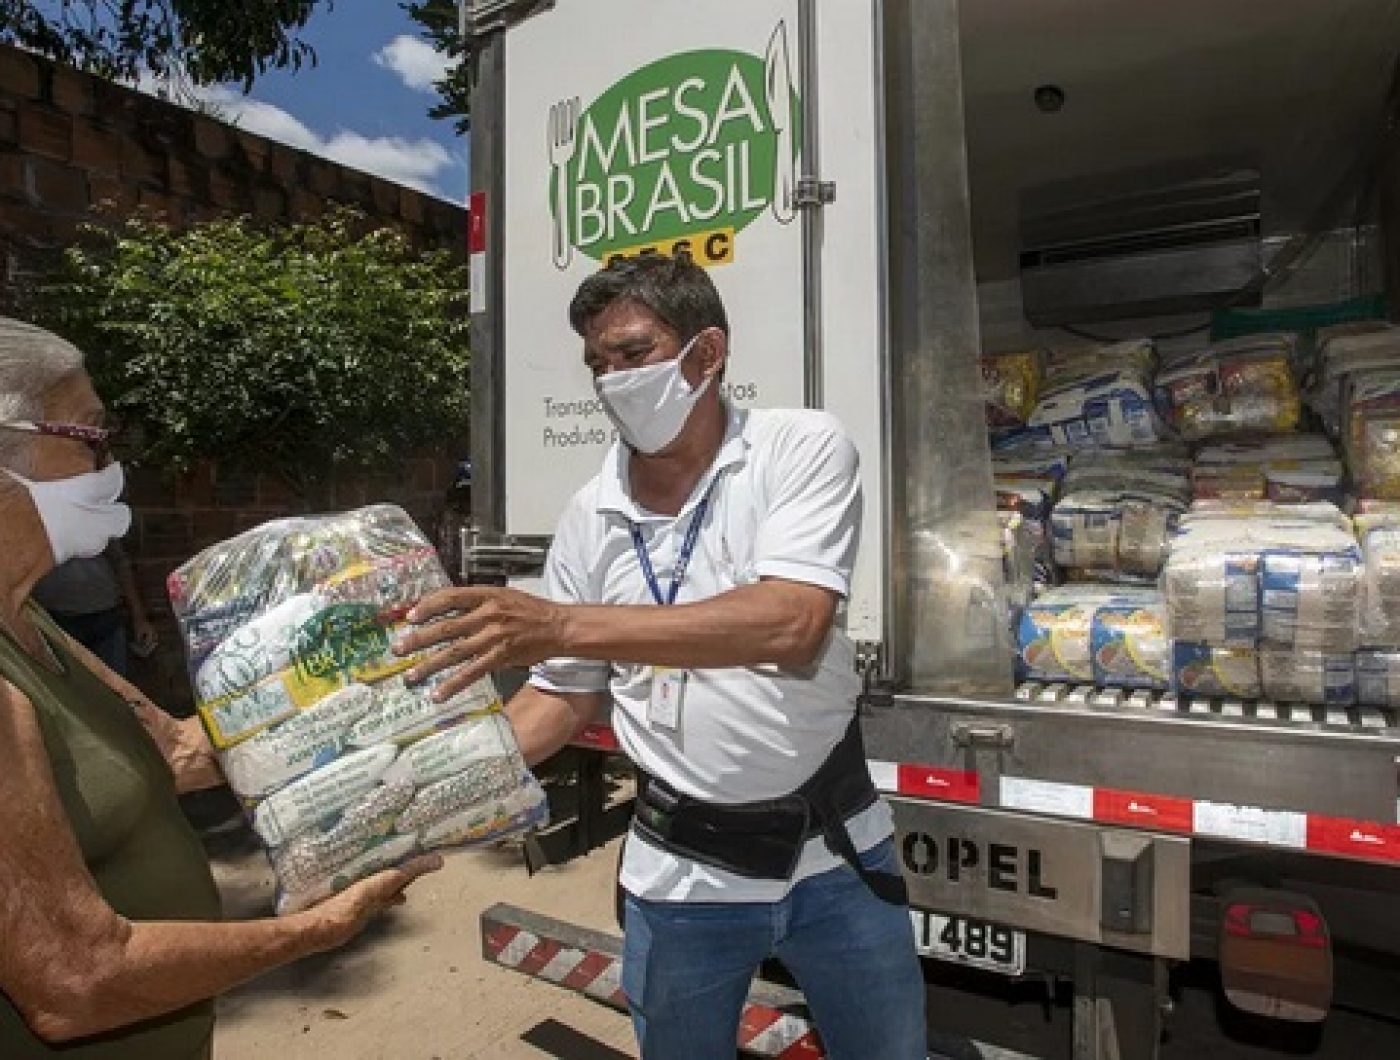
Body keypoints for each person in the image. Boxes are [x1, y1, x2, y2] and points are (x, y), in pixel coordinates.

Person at [396, 253, 927, 1059]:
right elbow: (561, 700)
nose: (612, 380)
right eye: (597, 363)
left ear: (705, 354)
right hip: (683, 883)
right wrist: (428, 788)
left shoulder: (799, 449)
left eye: (634, 353)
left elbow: (792, 622)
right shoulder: (589, 516)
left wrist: (562, 624)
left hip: (838, 861)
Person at [0, 317, 441, 1059]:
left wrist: (362, 665)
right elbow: (75, 978)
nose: (110, 462)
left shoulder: (28, 619)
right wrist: (319, 928)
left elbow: (175, 752)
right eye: (92, 436)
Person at [33, 539, 157, 677]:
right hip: (55, 620)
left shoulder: (98, 519)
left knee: (113, 688)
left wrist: (139, 618)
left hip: (104, 617)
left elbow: (120, 563)